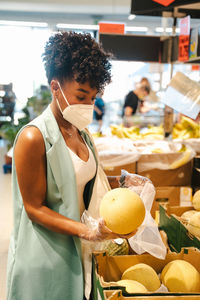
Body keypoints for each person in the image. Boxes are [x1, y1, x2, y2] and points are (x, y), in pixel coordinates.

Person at [6, 32, 139, 300]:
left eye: (93, 97)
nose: (88, 105)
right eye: (81, 95)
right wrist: (88, 231)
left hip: (81, 252)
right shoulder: (34, 137)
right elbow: (34, 208)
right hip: (48, 258)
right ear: (55, 88)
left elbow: (78, 180)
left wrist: (120, 181)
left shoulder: (81, 131)